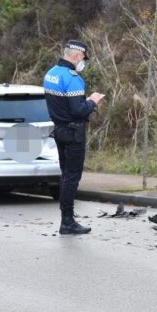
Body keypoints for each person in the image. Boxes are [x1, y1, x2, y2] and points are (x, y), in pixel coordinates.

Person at [43, 39, 105, 235]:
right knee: (72, 177)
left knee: (65, 175)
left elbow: (64, 104)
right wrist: (92, 102)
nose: (82, 63)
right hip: (74, 133)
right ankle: (67, 221)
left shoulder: (51, 74)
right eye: (82, 59)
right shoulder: (73, 78)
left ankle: (66, 219)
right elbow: (78, 110)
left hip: (59, 130)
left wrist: (81, 103)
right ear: (77, 56)